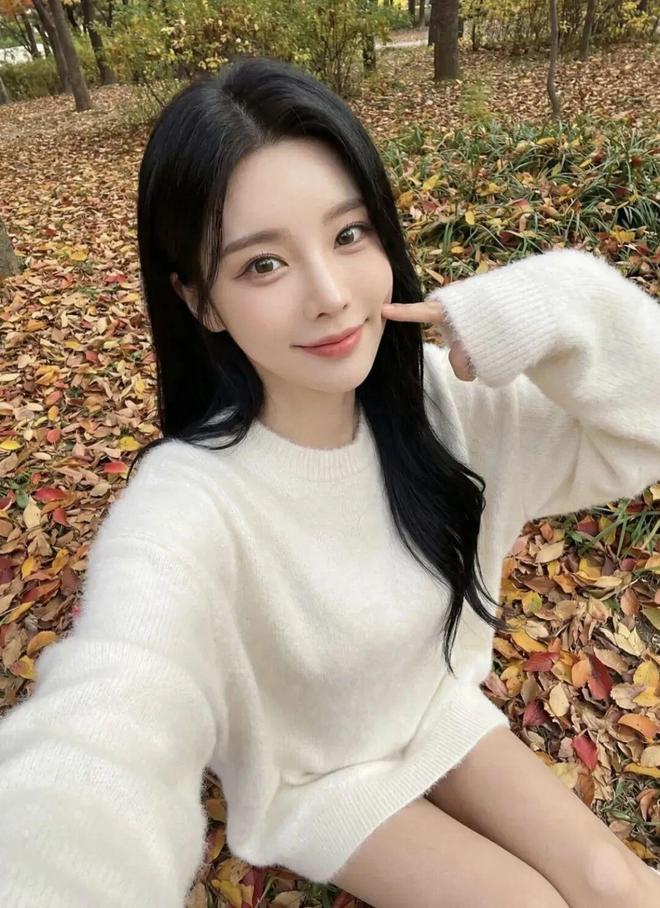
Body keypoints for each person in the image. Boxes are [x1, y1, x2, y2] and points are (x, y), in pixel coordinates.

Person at [1, 54, 659, 908]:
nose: (330, 296)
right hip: (318, 780)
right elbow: (111, 712)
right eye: (262, 265)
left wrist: (559, 299)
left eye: (349, 235)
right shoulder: (187, 501)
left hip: (435, 709)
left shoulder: (441, 404)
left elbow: (644, 422)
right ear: (200, 301)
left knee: (619, 884)